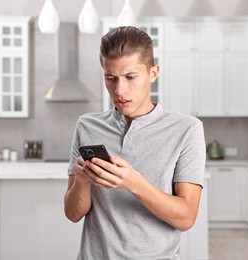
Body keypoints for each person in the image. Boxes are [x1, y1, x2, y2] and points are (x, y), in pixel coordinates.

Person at [64, 26, 206, 260]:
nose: (119, 90)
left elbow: (186, 217)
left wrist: (133, 183)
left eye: (131, 77)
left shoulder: (186, 129)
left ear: (153, 73)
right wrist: (81, 181)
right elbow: (72, 213)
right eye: (111, 78)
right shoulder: (87, 126)